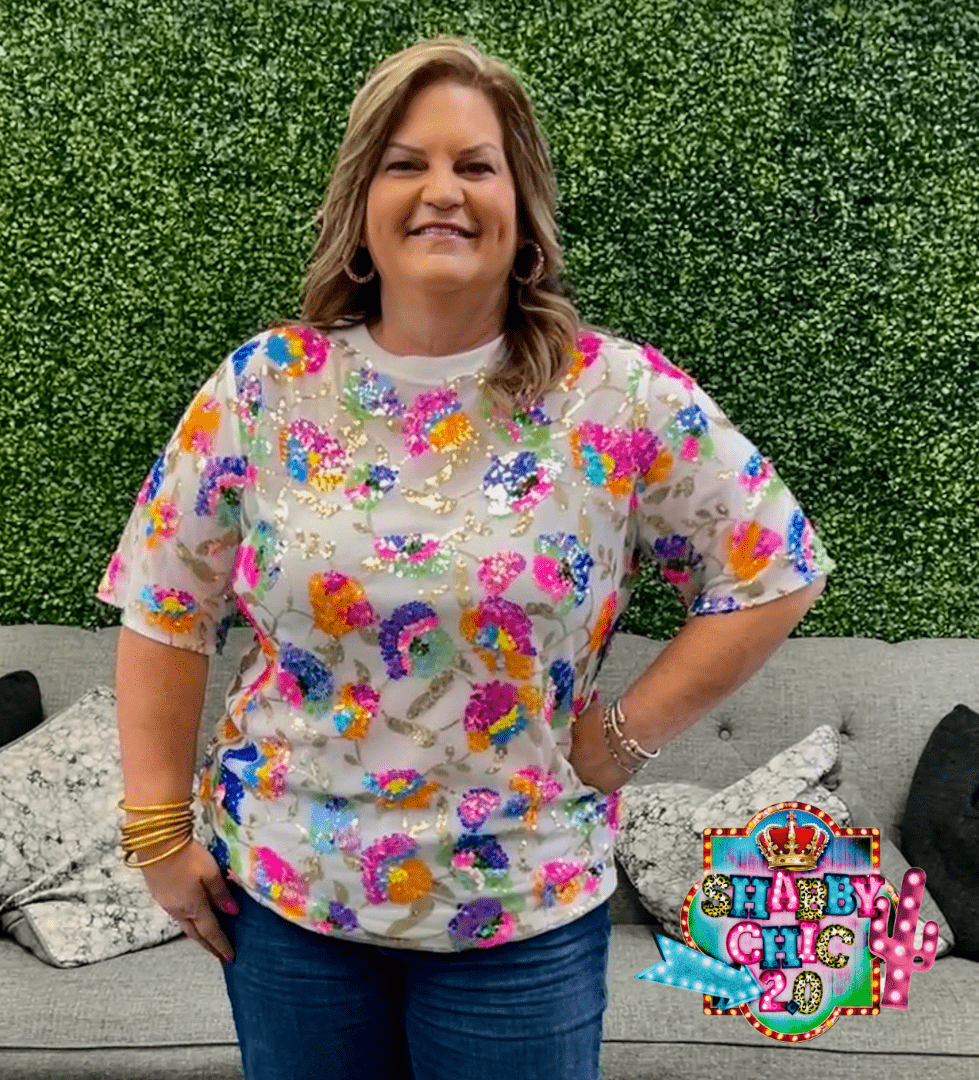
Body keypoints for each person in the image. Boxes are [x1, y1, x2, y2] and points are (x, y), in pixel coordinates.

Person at [96, 33, 835, 1080]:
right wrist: (157, 836)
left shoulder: (613, 396)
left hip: (523, 909)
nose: (441, 190)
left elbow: (775, 569)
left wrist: (622, 738)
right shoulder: (266, 387)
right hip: (290, 900)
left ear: (520, 209)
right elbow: (165, 606)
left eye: (475, 166)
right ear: (362, 205)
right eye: (407, 163)